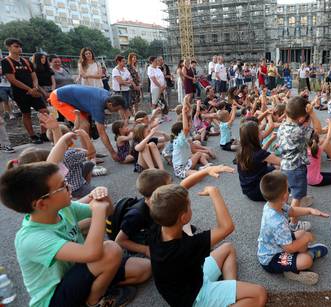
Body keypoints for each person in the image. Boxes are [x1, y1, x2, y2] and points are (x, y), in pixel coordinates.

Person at [0, 162, 151, 307]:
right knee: (111, 249)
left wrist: (103, 197)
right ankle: (94, 302)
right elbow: (92, 253)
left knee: (144, 269)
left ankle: (96, 287)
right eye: (62, 186)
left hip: (79, 272)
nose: (69, 186)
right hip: (55, 298)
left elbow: (109, 211)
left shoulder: (63, 209)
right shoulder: (30, 238)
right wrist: (98, 211)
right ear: (41, 204)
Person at [148, 182, 267, 307]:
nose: (190, 206)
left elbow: (180, 188)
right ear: (183, 218)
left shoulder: (157, 226)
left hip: (187, 284)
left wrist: (206, 171)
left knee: (228, 248)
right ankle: (227, 297)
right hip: (195, 298)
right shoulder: (187, 247)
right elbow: (227, 227)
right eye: (189, 205)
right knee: (260, 294)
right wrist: (214, 192)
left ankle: (229, 295)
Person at [115, 165, 234, 257]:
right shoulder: (137, 215)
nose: (174, 185)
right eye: (170, 184)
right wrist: (146, 250)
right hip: (154, 242)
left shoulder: (159, 202)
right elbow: (120, 240)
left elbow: (183, 185)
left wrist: (207, 170)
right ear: (159, 192)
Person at [257, 171, 329, 285]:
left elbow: (292, 211)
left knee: (301, 233)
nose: (289, 190)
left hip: (278, 244)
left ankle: (296, 260)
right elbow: (289, 249)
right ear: (285, 196)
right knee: (307, 260)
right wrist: (307, 238)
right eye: (287, 188)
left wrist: (310, 211)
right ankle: (302, 261)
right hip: (271, 259)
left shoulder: (272, 204)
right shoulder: (277, 222)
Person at [276, 96, 322, 229]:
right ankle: (294, 223)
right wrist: (312, 113)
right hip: (296, 168)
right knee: (297, 196)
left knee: (287, 192)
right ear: (302, 118)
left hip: (284, 165)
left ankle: (284, 212)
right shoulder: (300, 130)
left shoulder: (283, 126)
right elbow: (318, 130)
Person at [48, 84, 125, 161]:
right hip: (59, 98)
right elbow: (102, 133)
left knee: (88, 127)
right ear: (110, 104)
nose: (116, 112)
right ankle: (87, 156)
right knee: (84, 126)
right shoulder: (98, 105)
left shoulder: (108, 96)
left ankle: (90, 151)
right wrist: (113, 153)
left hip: (75, 98)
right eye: (116, 109)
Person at [1, 38, 48, 144]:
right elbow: (12, 79)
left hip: (33, 91)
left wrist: (35, 87)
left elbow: (34, 76)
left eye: (20, 46)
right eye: (16, 46)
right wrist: (29, 89)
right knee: (26, 114)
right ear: (8, 47)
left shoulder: (26, 61)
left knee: (44, 111)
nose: (19, 49)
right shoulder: (6, 61)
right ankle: (32, 136)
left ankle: (44, 133)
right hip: (19, 93)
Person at [237, 121, 281, 201]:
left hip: (248, 189)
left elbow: (261, 155)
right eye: (260, 131)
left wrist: (270, 140)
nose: (262, 132)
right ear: (254, 136)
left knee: (275, 166)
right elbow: (283, 162)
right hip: (257, 191)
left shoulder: (243, 150)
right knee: (283, 171)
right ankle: (293, 199)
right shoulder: (259, 154)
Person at [171, 104, 211, 179]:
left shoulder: (184, 138)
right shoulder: (180, 140)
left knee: (199, 154)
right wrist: (183, 113)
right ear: (181, 132)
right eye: (189, 123)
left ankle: (207, 166)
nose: (190, 124)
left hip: (187, 162)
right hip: (180, 169)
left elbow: (187, 129)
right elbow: (185, 128)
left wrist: (186, 111)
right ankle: (201, 170)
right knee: (198, 175)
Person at [112, 55, 134, 121]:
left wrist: (127, 81)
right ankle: (124, 119)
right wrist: (127, 81)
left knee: (127, 105)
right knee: (122, 106)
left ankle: (127, 119)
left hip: (127, 89)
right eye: (123, 61)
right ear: (118, 62)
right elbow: (120, 81)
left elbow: (130, 78)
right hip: (120, 91)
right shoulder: (115, 70)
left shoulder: (125, 69)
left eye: (125, 61)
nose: (125, 62)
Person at [0, 53, 16, 120]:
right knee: (5, 100)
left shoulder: (7, 63)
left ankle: (17, 111)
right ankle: (10, 114)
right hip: (1, 86)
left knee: (15, 98)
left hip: (10, 84)